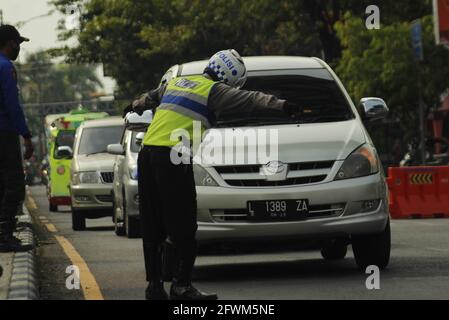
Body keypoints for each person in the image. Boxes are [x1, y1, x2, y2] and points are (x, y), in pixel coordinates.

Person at [126, 49, 301, 300]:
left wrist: (132, 105)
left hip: (147, 154)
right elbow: (251, 99)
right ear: (231, 78)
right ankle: (182, 286)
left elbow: (149, 98)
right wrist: (283, 106)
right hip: (174, 158)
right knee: (184, 223)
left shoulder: (176, 82)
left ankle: (154, 286)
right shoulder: (215, 91)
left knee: (152, 223)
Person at [0, 25, 33, 252]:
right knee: (14, 186)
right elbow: (13, 105)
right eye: (18, 44)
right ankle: (4, 235)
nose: (19, 49)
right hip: (4, 132)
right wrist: (26, 135)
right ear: (11, 43)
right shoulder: (5, 67)